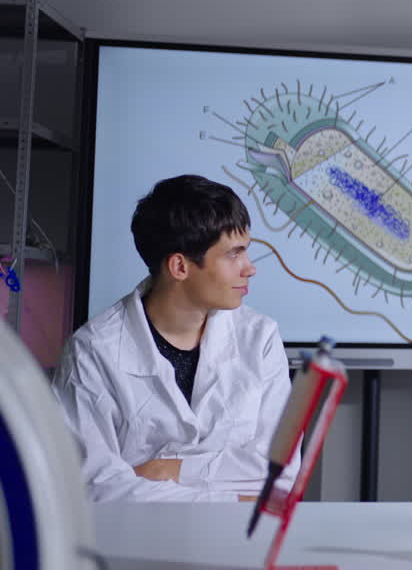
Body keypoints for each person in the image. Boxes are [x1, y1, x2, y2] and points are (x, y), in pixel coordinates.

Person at [53, 174, 298, 501]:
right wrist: (230, 499)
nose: (249, 268)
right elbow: (95, 487)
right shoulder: (93, 351)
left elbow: (279, 471)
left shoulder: (260, 337)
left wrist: (169, 470)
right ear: (180, 267)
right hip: (134, 542)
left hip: (238, 545)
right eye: (233, 254)